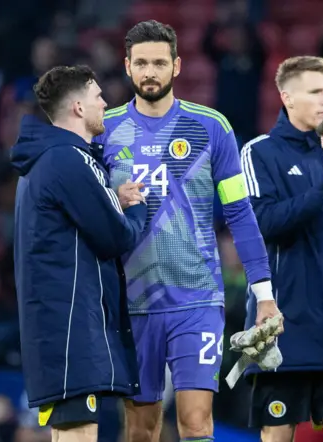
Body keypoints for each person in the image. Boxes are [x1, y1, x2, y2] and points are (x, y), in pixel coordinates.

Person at [94, 20, 280, 442]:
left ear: (177, 66)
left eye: (159, 62)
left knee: (196, 422)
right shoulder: (102, 131)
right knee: (141, 426)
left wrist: (264, 296)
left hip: (197, 297)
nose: (150, 72)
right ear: (126, 66)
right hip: (130, 302)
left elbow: (241, 216)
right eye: (141, 63)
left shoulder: (211, 127)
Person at [11, 65, 147, 442]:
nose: (105, 102)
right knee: (79, 434)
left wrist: (110, 200)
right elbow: (115, 237)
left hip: (55, 320)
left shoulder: (47, 160)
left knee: (68, 432)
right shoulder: (71, 159)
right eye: (97, 96)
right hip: (70, 322)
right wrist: (135, 209)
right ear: (77, 107)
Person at [239, 57, 323, 442]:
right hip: (283, 324)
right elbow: (262, 223)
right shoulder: (260, 153)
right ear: (287, 97)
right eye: (315, 92)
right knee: (278, 432)